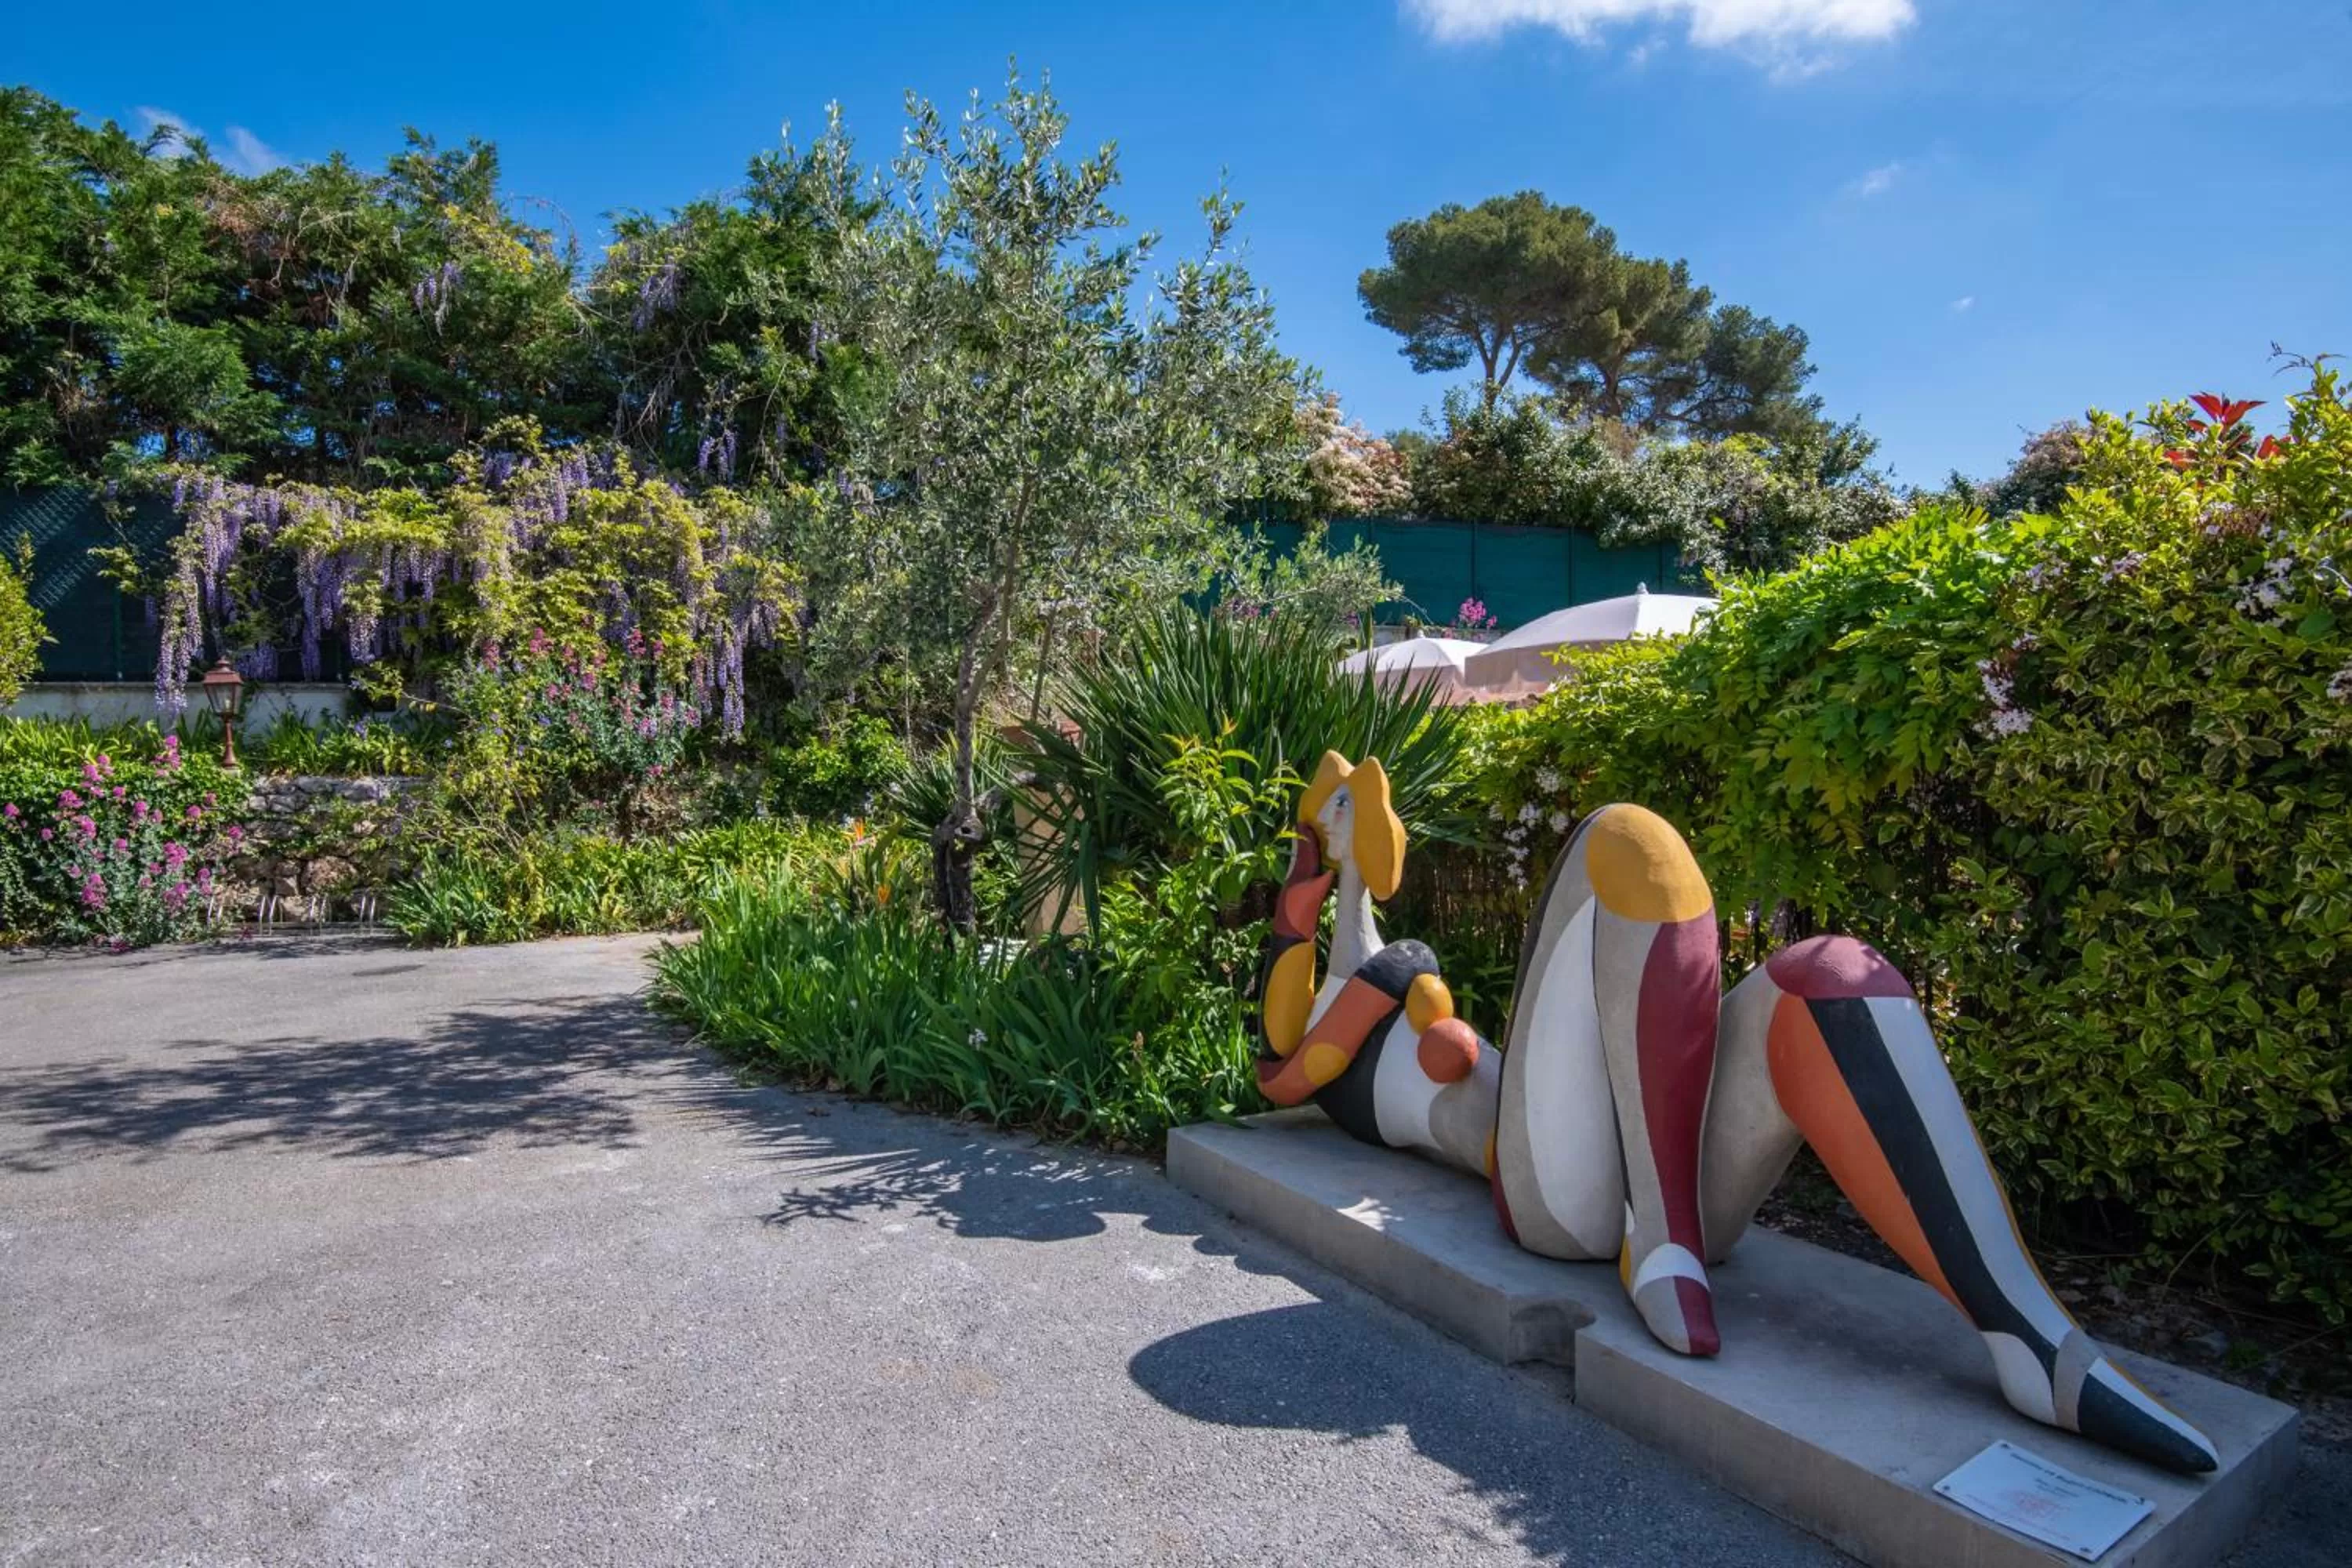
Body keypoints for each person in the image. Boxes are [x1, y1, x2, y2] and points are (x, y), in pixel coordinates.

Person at [1254, 751, 2218, 1476]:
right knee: (1627, 837)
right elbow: (1282, 1072)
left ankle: (2039, 1345)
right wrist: (1310, 902)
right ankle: (1659, 1237)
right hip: (1552, 1187)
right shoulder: (1350, 1010)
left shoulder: (1399, 972)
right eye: (1335, 816)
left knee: (1829, 976)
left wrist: (1381, 962)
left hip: (1656, 1167)